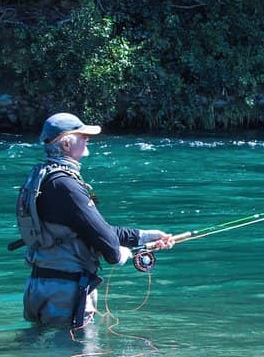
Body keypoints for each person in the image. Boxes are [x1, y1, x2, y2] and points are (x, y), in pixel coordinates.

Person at [16, 112, 175, 328]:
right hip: (65, 292)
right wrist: (119, 254)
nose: (87, 139)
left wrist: (145, 236)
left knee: (38, 350)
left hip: (39, 286)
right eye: (82, 135)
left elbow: (92, 228)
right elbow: (107, 242)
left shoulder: (42, 178)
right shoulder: (65, 185)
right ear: (65, 145)